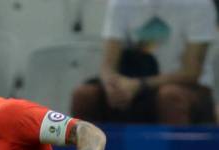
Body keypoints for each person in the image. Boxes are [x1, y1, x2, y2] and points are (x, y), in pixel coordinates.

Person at [71, 0, 217, 125]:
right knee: (84, 95)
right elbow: (107, 65)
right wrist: (112, 85)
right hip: (133, 85)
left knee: (170, 97)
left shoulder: (199, 4)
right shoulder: (120, 4)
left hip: (186, 88)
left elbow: (191, 73)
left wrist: (140, 85)